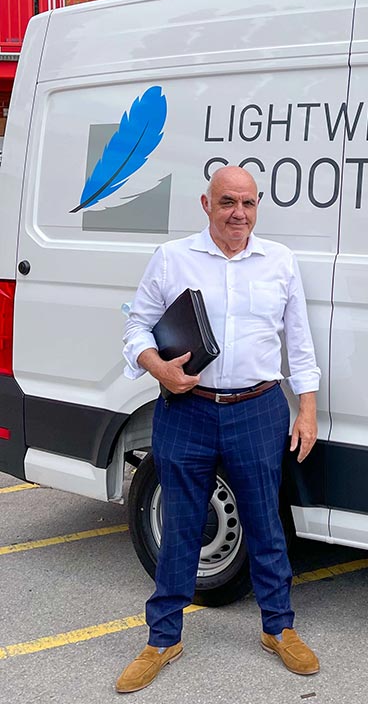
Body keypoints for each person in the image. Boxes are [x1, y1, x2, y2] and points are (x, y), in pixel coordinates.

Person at [117, 166, 321, 693]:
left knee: (264, 523)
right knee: (182, 525)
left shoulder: (279, 262)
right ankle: (163, 638)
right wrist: (158, 368)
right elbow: (137, 325)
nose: (239, 213)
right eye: (227, 201)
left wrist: (307, 408)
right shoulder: (173, 259)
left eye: (249, 203)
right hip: (187, 409)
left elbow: (298, 340)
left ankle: (279, 628)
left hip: (258, 410)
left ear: (258, 208)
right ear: (205, 205)